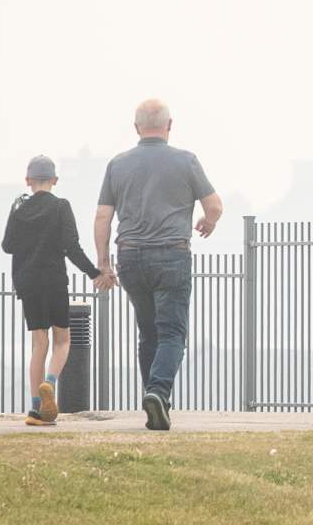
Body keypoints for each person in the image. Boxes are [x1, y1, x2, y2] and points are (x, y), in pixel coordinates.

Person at [94, 99, 222, 430]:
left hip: (131, 255)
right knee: (172, 333)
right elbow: (215, 205)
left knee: (148, 332)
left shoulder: (117, 165)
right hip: (171, 254)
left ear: (136, 127)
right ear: (169, 125)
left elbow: (103, 216)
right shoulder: (186, 161)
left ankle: (156, 402)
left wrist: (104, 263)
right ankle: (158, 392)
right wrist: (208, 222)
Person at [2, 155, 114, 426]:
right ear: (55, 180)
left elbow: (7, 245)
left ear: (28, 180)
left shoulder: (19, 209)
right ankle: (50, 383)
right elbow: (71, 247)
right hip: (53, 280)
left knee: (38, 344)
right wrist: (96, 273)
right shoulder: (61, 207)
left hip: (27, 283)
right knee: (63, 340)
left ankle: (35, 410)